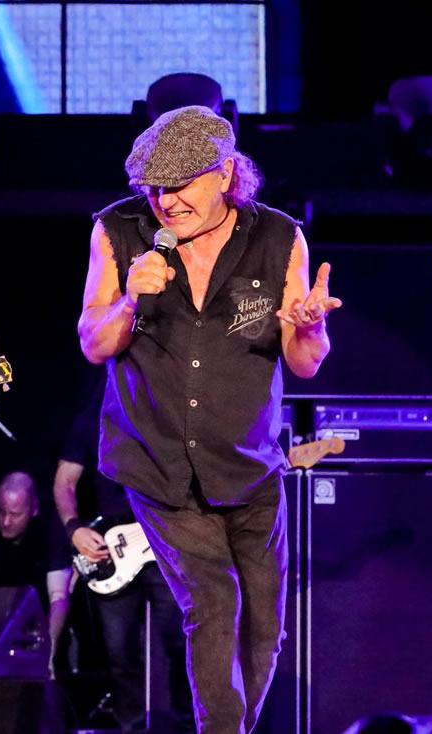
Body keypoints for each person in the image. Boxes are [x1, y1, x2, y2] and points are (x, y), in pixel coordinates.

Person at [78, 106, 342, 733]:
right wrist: (128, 300)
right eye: (156, 188)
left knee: (264, 628)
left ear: (225, 174)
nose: (166, 202)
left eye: (181, 185)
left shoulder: (278, 239)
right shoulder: (118, 232)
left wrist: (310, 328)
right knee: (212, 602)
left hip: (250, 468)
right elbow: (94, 342)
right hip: (158, 464)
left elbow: (304, 363)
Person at [54, 374, 191, 733]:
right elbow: (64, 481)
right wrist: (74, 528)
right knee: (118, 652)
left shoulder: (173, 416)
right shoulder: (92, 419)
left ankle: (188, 724)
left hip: (166, 543)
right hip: (113, 546)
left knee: (181, 641)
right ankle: (130, 726)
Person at [0, 471, 72, 648]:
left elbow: (58, 596)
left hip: (38, 627)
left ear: (34, 509)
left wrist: (48, 647)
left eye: (15, 514)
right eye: (1, 512)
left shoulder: (51, 532)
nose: (6, 521)